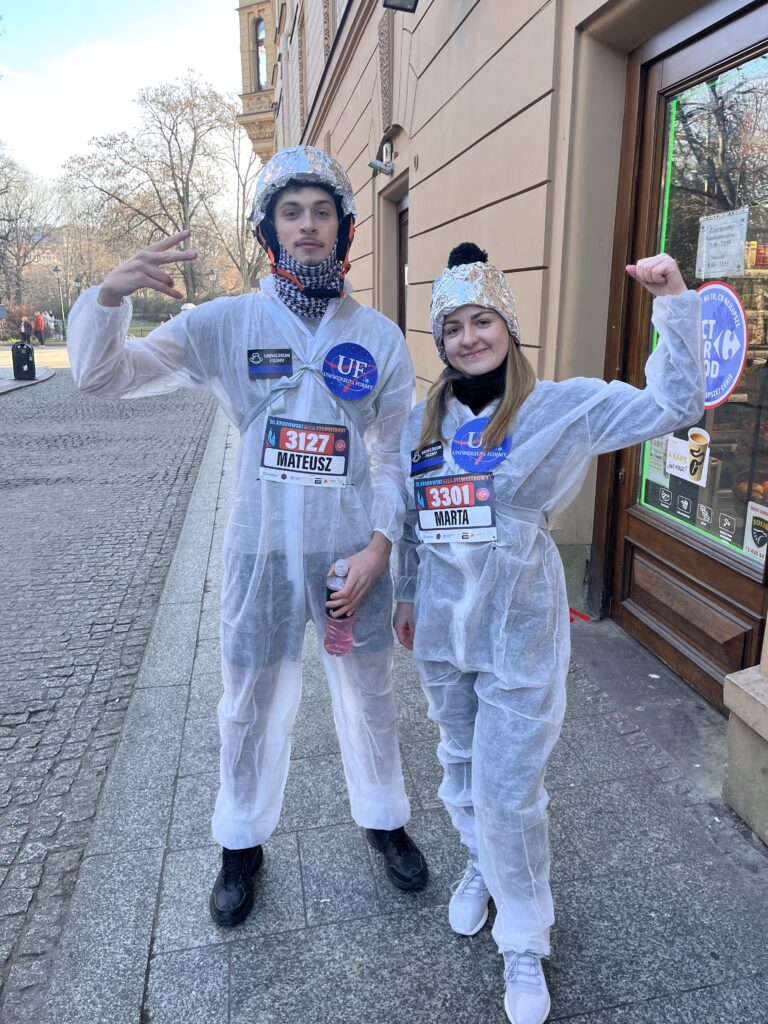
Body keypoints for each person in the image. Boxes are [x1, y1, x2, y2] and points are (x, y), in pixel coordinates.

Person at [67, 146, 428, 928]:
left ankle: (384, 817)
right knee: (247, 702)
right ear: (271, 229)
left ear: (343, 229)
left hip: (350, 555)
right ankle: (240, 841)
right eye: (292, 212)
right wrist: (109, 294)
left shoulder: (378, 338)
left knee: (369, 692)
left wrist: (380, 547)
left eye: (322, 212)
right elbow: (103, 376)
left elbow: (393, 455)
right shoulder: (226, 324)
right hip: (259, 552)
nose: (308, 225)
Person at [393, 244, 703, 1024]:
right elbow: (409, 522)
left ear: (509, 326)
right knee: (461, 768)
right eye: (453, 327)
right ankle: (481, 866)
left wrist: (673, 301)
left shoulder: (560, 407)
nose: (469, 338)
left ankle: (525, 940)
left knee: (508, 790)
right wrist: (404, 594)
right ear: (440, 341)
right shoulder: (422, 424)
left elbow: (674, 406)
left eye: (482, 321)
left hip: (520, 625)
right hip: (442, 631)